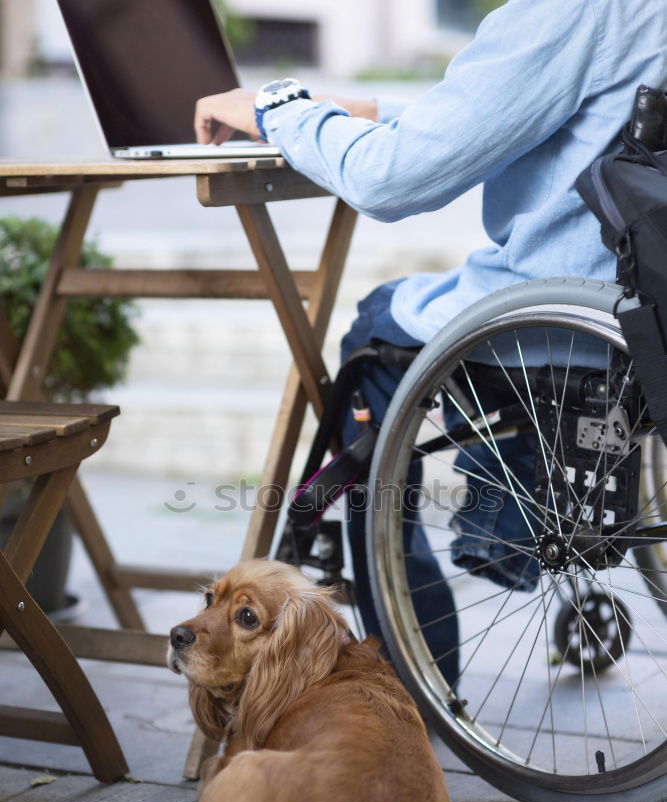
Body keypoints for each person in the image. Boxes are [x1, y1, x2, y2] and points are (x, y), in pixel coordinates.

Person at [193, 0, 667, 686]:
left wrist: (278, 107)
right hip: (645, 315)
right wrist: (352, 110)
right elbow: (502, 104)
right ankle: (507, 502)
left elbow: (390, 180)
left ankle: (411, 675)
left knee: (376, 330)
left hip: (561, 323)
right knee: (422, 311)